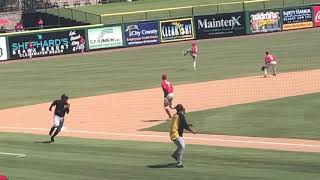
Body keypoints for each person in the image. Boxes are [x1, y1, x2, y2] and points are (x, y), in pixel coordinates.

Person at [170, 104, 196, 168]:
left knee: (180, 146)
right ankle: (179, 163)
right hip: (176, 134)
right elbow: (184, 125)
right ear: (181, 110)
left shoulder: (175, 115)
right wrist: (191, 131)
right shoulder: (180, 116)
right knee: (182, 146)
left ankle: (174, 155)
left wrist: (187, 124)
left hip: (173, 133)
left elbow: (181, 123)